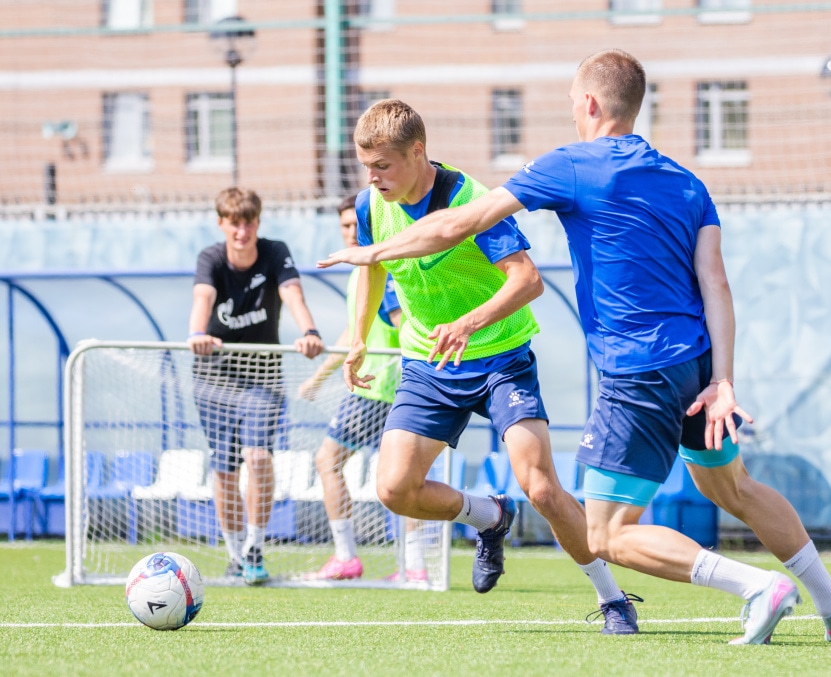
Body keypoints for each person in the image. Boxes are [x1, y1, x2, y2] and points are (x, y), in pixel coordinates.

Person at [317, 51, 831, 645]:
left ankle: (756, 587)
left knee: (606, 533)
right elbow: (717, 283)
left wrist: (370, 253)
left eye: (571, 104)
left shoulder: (572, 165)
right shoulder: (688, 182)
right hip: (698, 366)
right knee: (734, 487)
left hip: (636, 372)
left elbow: (459, 224)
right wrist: (724, 381)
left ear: (588, 103)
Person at [320, 98, 640, 634]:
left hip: (500, 358)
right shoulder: (370, 206)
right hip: (429, 363)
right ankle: (490, 516)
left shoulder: (469, 200)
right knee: (395, 489)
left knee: (542, 487)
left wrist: (469, 323)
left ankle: (614, 599)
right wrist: (357, 337)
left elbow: (528, 280)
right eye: (366, 166)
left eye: (382, 166)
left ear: (417, 152)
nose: (372, 178)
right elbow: (374, 267)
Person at [189, 187, 325, 585]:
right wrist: (196, 334)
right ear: (221, 224)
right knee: (225, 468)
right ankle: (234, 554)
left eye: (248, 223)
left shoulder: (275, 252)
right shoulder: (211, 258)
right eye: (234, 223)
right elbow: (202, 298)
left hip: (262, 377)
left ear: (258, 223)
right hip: (213, 378)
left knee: (259, 457)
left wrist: (310, 332)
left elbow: (292, 293)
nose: (242, 231)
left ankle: (254, 547)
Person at [299, 195, 427, 582]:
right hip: (383, 388)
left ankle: (346, 557)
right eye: (345, 226)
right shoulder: (361, 271)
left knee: (328, 461)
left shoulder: (380, 269)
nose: (352, 232)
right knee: (403, 478)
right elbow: (353, 334)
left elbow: (407, 324)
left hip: (377, 389)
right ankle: (415, 567)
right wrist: (318, 378)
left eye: (357, 225)